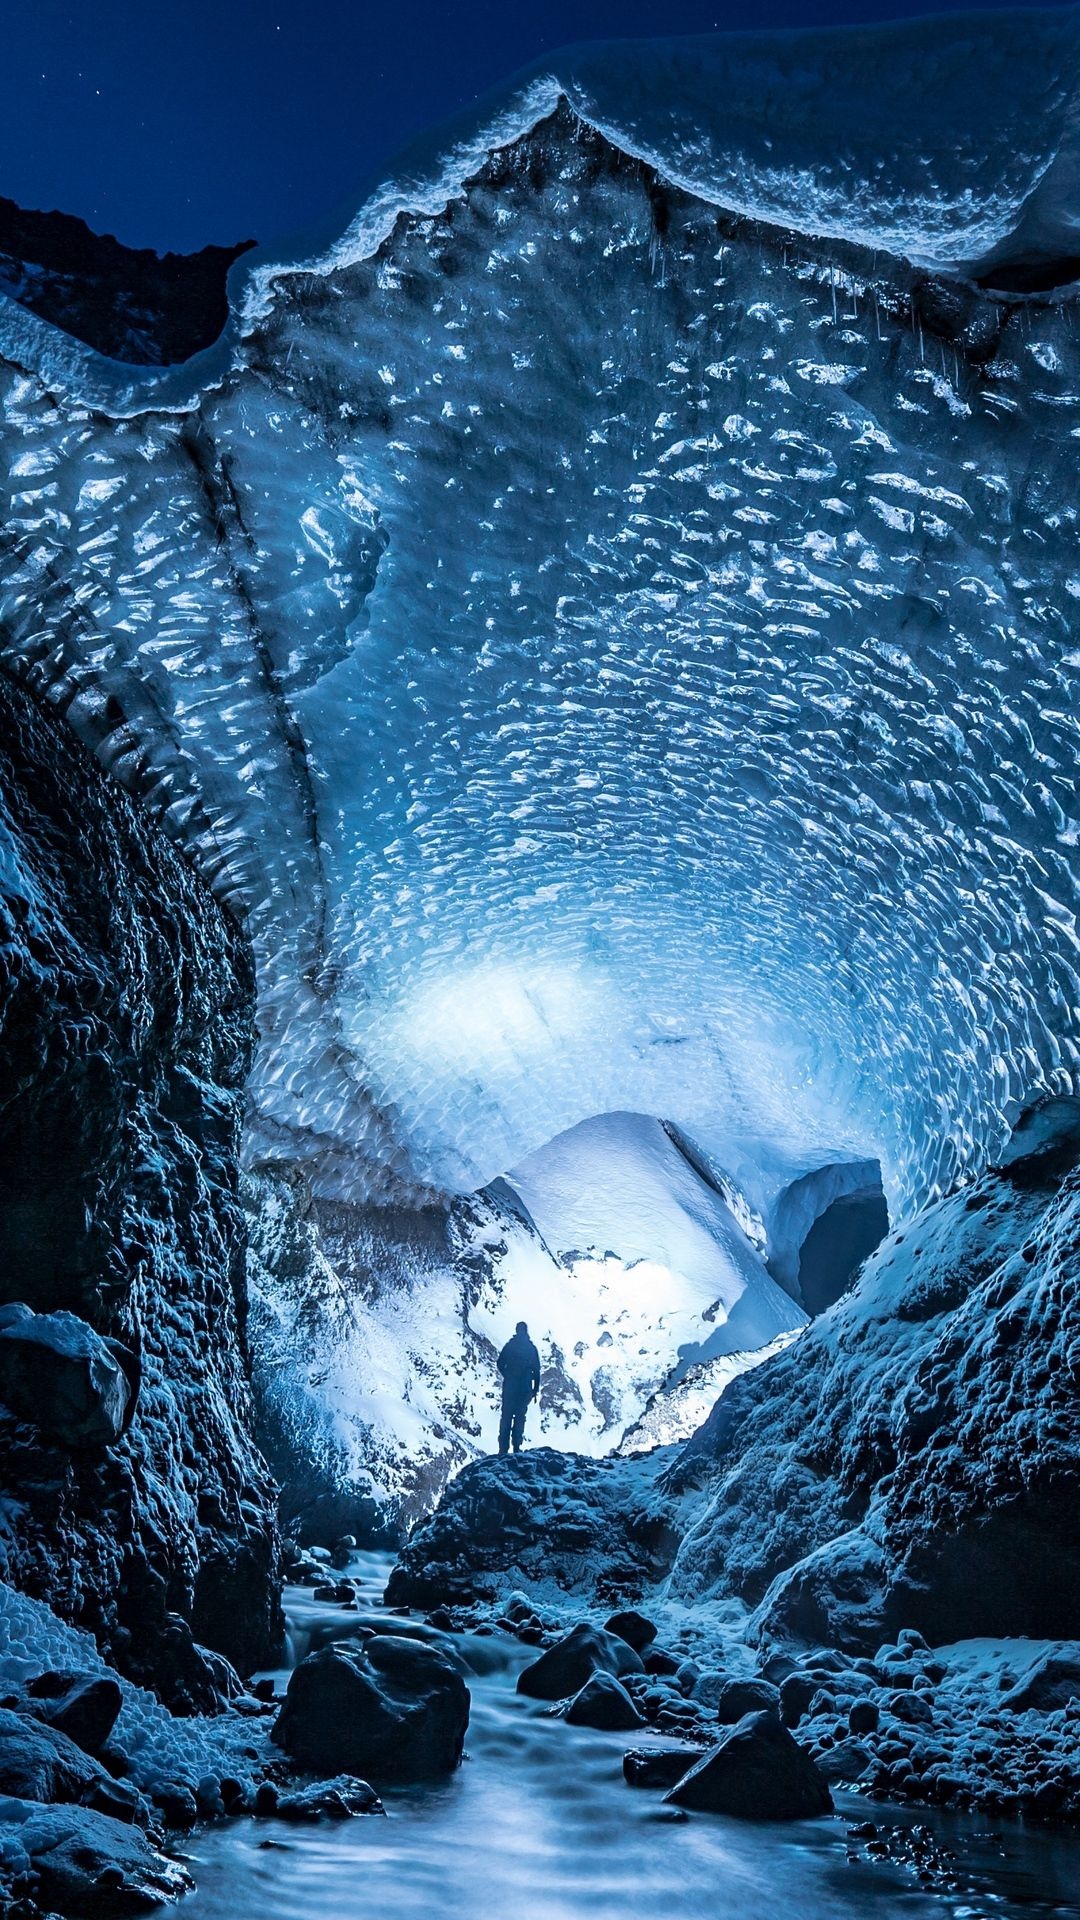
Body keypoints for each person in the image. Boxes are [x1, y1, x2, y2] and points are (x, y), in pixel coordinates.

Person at [496, 1320, 541, 1456]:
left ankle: (503, 1449)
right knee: (520, 1417)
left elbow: (499, 1363)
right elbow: (537, 1370)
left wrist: (507, 1375)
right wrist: (535, 1389)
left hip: (510, 1386)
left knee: (506, 1417)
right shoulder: (531, 1348)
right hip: (525, 1388)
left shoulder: (511, 1346)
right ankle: (516, 1447)